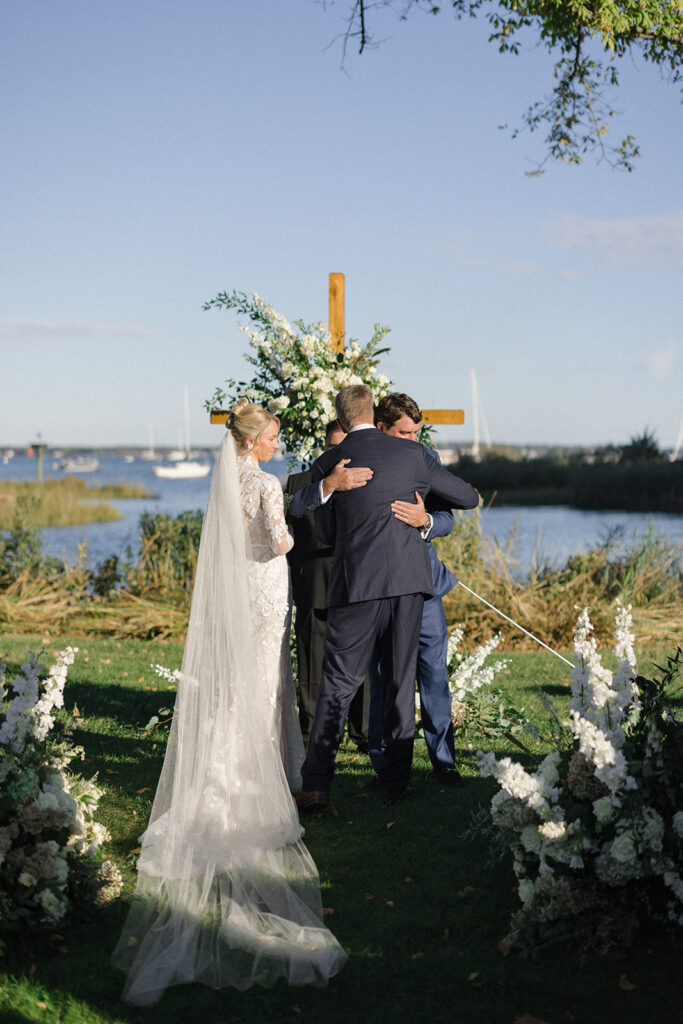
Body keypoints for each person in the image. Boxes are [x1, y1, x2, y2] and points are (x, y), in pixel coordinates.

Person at [112, 400, 347, 1005]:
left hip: (240, 595)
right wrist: (293, 533)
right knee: (262, 687)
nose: (276, 443)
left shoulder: (224, 483)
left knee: (241, 689)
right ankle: (252, 778)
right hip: (266, 598)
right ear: (253, 440)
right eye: (271, 436)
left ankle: (237, 771)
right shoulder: (266, 484)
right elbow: (278, 542)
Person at [288, 384, 478, 809]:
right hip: (410, 586)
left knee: (338, 683)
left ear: (341, 420)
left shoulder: (336, 457)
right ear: (373, 413)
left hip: (356, 586)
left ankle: (317, 784)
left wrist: (330, 485)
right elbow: (468, 496)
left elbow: (297, 505)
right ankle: (397, 783)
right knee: (397, 682)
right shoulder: (415, 455)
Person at [373, 392, 464, 788]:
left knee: (434, 674)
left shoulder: (427, 458)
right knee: (385, 679)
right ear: (382, 429)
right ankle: (387, 768)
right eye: (405, 433)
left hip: (426, 587)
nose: (413, 441)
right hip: (381, 584)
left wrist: (425, 519)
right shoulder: (366, 458)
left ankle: (445, 762)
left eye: (417, 432)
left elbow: (448, 517)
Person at [285, 419, 370, 753]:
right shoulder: (298, 482)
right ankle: (311, 734)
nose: (340, 455)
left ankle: (363, 734)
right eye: (335, 447)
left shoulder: (368, 481)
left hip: (358, 588)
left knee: (361, 667)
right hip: (315, 587)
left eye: (346, 447)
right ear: (325, 445)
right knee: (311, 664)